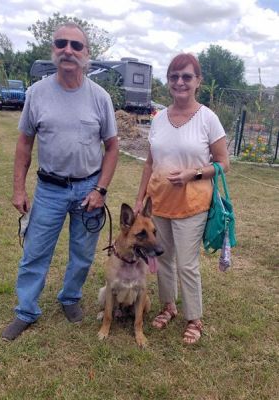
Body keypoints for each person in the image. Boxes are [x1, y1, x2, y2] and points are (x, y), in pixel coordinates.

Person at [2, 22, 118, 341]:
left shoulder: (100, 97)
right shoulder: (36, 93)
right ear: (53, 49)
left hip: (88, 190)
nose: (68, 50)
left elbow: (112, 148)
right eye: (61, 43)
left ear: (86, 54)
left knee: (82, 253)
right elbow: (24, 144)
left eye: (76, 45)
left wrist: (101, 189)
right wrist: (18, 188)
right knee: (36, 252)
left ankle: (70, 298)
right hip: (49, 189)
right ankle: (26, 310)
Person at [134, 53, 229, 345]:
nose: (180, 82)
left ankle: (194, 317)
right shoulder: (159, 118)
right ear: (168, 81)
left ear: (197, 81)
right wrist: (140, 200)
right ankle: (169, 307)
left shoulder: (208, 118)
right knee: (161, 258)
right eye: (174, 76)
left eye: (187, 76)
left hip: (192, 205)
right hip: (158, 203)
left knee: (186, 264)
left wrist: (193, 174)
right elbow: (150, 163)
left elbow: (224, 163)